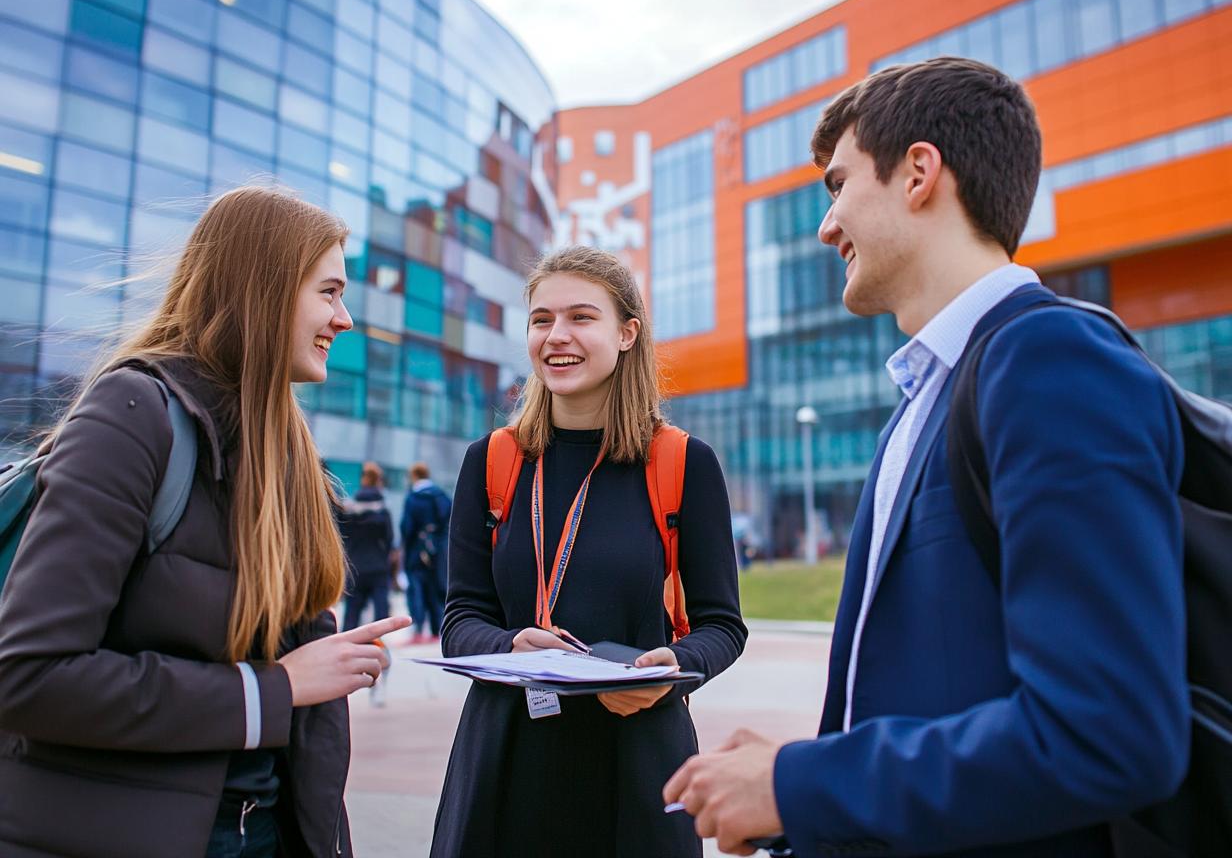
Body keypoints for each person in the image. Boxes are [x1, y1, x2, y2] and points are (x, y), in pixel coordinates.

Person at [665, 57, 1188, 857]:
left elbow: (1108, 732)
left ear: (918, 173)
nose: (825, 224)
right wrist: (793, 798)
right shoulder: (925, 402)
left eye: (838, 186)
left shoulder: (1049, 360)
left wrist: (797, 785)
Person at [0, 185, 410, 858]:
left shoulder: (286, 446)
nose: (346, 319)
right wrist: (273, 689)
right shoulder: (133, 413)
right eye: (329, 292)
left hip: (262, 831)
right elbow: (29, 677)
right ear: (267, 287)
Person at [430, 246, 748, 858]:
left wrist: (673, 670)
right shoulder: (491, 461)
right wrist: (507, 647)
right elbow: (461, 619)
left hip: (637, 764)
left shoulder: (681, 462)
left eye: (581, 317)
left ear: (627, 333)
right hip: (506, 761)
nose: (557, 337)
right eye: (541, 320)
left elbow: (723, 626)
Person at [339, 461, 397, 633]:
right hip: (378, 566)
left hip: (355, 565)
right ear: (378, 481)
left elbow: (343, 537)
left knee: (351, 614)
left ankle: (347, 645)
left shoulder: (349, 508)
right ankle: (377, 645)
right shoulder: (383, 510)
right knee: (380, 615)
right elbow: (389, 540)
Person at [400, 461, 451, 644]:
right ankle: (437, 630)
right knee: (436, 587)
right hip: (439, 552)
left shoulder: (413, 498)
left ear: (414, 476)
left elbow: (406, 527)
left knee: (416, 589)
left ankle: (418, 629)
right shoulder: (442, 496)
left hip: (417, 551)